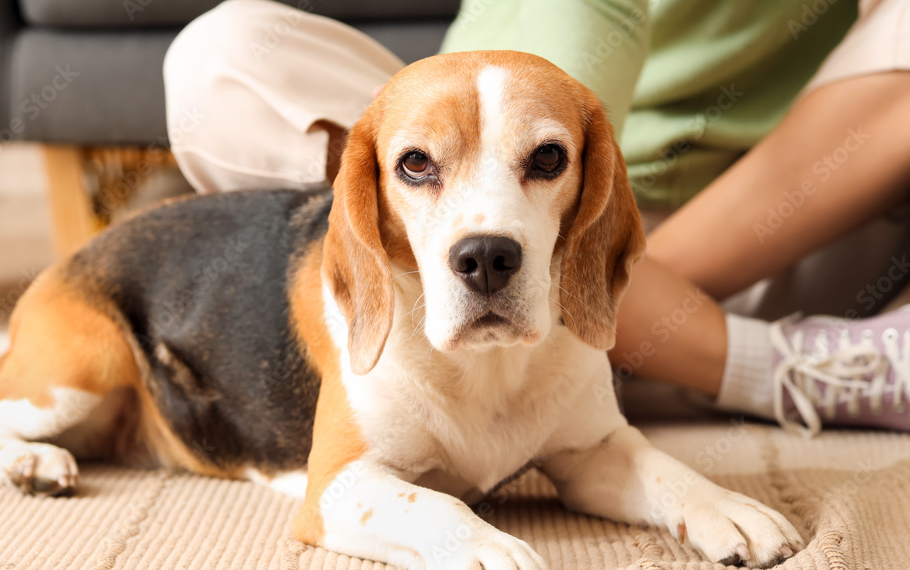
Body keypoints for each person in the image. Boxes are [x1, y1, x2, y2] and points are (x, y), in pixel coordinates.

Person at [163, 0, 910, 436]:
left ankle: (596, 346)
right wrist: (539, 249)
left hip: (770, 235)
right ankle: (760, 366)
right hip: (463, 240)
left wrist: (594, 265)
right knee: (217, 58)